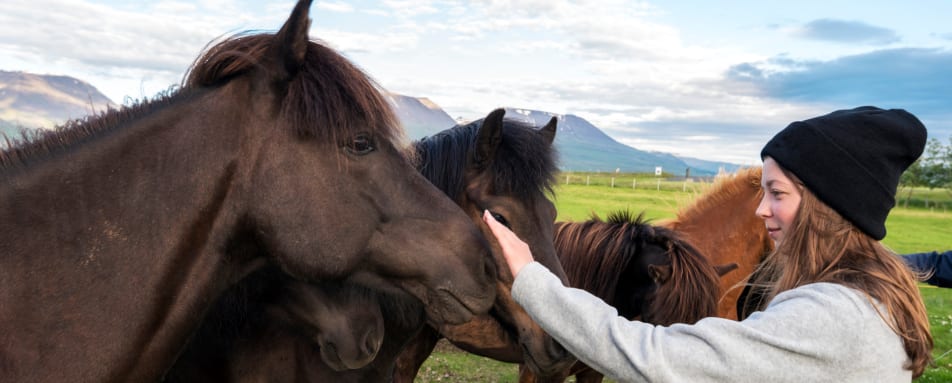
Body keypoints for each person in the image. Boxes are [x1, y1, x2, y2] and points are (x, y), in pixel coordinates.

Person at [483, 106, 933, 382]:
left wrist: (531, 277)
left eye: (777, 194)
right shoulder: (872, 295)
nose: (761, 210)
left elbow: (659, 359)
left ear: (827, 206)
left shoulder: (831, 317)